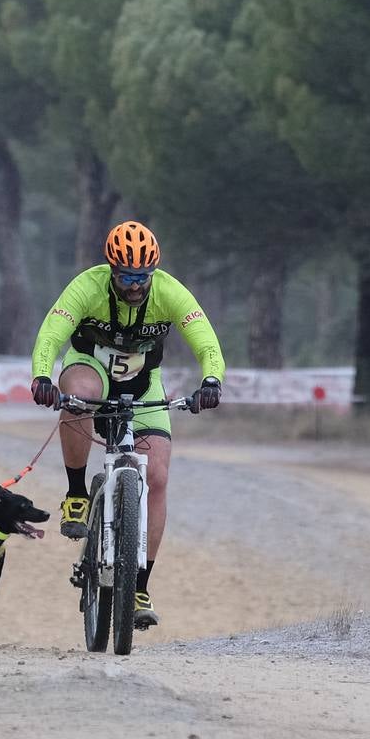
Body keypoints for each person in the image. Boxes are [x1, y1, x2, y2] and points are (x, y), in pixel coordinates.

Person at [28, 220, 225, 629]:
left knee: (158, 475)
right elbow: (52, 333)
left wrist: (211, 381)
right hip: (91, 370)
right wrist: (43, 376)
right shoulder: (87, 287)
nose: (135, 285)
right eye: (126, 276)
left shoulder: (170, 292)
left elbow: (206, 341)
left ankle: (139, 585)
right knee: (78, 391)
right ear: (111, 269)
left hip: (143, 384)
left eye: (142, 277)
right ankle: (77, 493)